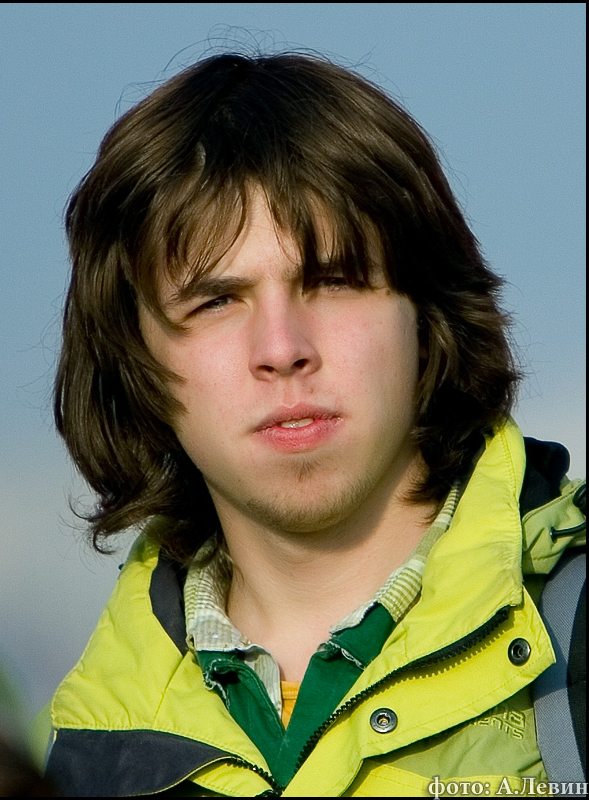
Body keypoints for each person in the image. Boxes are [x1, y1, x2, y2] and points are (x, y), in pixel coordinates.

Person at [42, 52, 585, 796]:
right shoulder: (86, 749)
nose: (282, 349)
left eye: (333, 281)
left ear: (426, 313)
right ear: (132, 354)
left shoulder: (575, 638)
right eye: (215, 301)